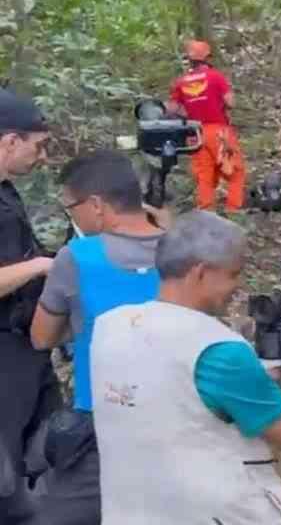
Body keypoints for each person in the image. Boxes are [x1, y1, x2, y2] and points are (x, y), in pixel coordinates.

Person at [91, 211, 281, 523]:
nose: (237, 287)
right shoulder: (220, 351)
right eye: (233, 274)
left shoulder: (109, 326)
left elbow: (170, 392)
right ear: (200, 272)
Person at [27, 150, 165, 524]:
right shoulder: (182, 250)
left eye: (72, 208)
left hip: (103, 423)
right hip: (175, 418)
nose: (73, 218)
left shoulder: (79, 256)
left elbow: (41, 337)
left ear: (97, 205)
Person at [0, 89, 59, 524]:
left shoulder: (7, 194)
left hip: (26, 349)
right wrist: (42, 265)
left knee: (48, 454)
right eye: (36, 147)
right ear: (9, 142)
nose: (41, 158)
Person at [168, 39, 246, 213]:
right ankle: (233, 212)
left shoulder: (180, 82)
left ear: (189, 60)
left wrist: (190, 111)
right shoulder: (215, 76)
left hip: (195, 133)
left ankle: (206, 213)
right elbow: (230, 102)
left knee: (205, 177)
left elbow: (172, 109)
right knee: (235, 171)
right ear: (207, 58)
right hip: (219, 131)